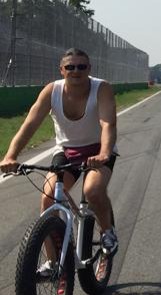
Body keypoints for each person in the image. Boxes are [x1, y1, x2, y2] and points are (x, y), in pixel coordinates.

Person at [1, 48, 119, 272]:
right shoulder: (52, 91)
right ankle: (54, 262)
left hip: (98, 149)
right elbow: (30, 124)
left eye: (81, 67)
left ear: (89, 69)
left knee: (93, 191)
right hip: (67, 150)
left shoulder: (101, 88)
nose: (76, 71)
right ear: (62, 70)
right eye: (70, 67)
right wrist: (11, 156)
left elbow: (107, 124)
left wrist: (104, 153)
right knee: (48, 200)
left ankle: (107, 232)